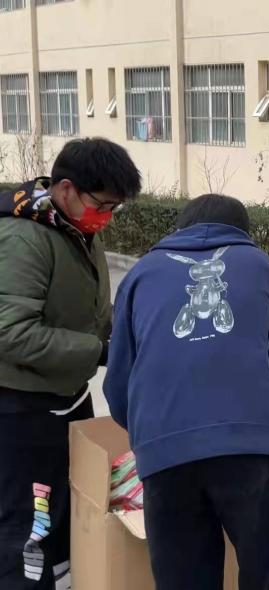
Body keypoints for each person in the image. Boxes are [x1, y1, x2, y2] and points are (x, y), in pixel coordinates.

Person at [103, 195, 269, 589]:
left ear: (179, 230)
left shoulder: (139, 274)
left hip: (165, 451)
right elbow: (267, 360)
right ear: (243, 233)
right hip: (252, 443)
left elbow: (120, 381)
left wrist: (154, 432)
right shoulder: (262, 267)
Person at [0, 138, 140, 590]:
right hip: (24, 407)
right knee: (33, 516)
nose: (107, 216)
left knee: (66, 503)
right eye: (103, 205)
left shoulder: (75, 227)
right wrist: (98, 351)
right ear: (65, 189)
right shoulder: (24, 238)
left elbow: (89, 308)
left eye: (115, 208)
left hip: (67, 395)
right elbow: (10, 333)